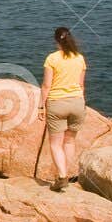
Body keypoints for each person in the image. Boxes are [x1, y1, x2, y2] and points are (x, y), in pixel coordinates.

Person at [39, 26, 87, 192]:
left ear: (55, 40)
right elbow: (81, 85)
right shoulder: (79, 58)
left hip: (57, 104)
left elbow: (46, 85)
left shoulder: (52, 59)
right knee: (70, 141)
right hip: (77, 103)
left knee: (55, 144)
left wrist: (40, 106)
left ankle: (61, 175)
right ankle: (66, 173)